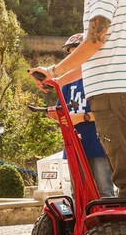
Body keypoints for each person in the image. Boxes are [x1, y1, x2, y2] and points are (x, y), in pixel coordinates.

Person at [29, 0, 126, 199]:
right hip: (110, 87)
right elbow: (90, 59)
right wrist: (55, 79)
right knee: (122, 164)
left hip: (114, 88)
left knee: (125, 169)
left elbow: (94, 41)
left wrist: (55, 71)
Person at [49, 33, 115, 198]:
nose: (72, 57)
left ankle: (108, 223)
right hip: (74, 145)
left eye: (76, 53)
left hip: (98, 144)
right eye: (69, 54)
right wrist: (56, 116)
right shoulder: (66, 83)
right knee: (78, 192)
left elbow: (108, 112)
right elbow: (62, 110)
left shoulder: (97, 78)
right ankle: (82, 224)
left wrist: (82, 117)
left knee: (104, 190)